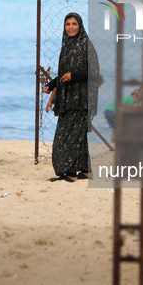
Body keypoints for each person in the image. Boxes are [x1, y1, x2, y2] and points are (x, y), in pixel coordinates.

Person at [42, 13, 100, 182]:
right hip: (68, 98)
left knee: (65, 137)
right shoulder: (66, 44)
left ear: (80, 25)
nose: (71, 27)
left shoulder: (86, 45)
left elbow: (94, 73)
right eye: (68, 24)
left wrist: (73, 76)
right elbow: (63, 74)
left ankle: (69, 174)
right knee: (79, 137)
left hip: (81, 99)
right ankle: (86, 171)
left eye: (74, 23)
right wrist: (51, 85)